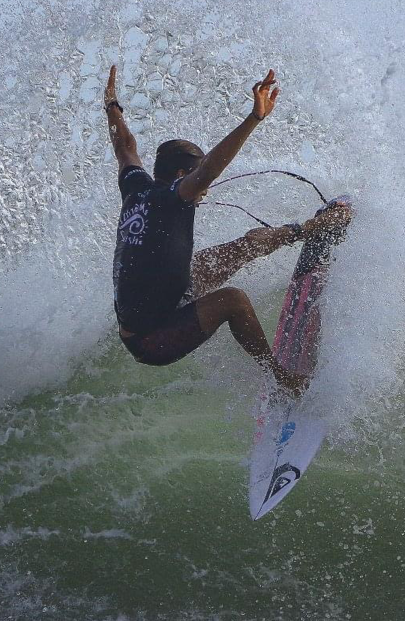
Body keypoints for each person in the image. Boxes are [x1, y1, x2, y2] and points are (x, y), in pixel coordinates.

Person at [104, 64, 349, 394]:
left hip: (166, 297)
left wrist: (112, 106)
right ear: (180, 175)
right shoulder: (173, 197)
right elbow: (206, 172)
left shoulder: (136, 186)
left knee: (246, 245)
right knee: (233, 300)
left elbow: (125, 147)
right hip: (151, 337)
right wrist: (254, 118)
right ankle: (283, 380)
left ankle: (309, 229)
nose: (203, 191)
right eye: (193, 180)